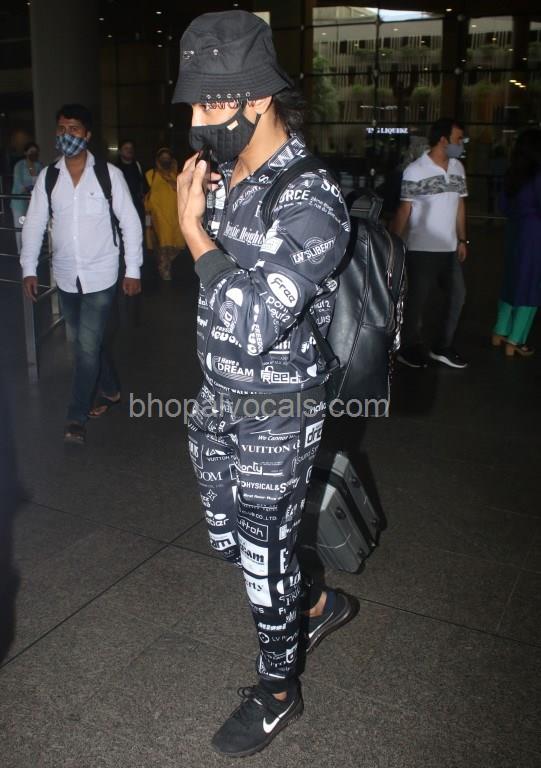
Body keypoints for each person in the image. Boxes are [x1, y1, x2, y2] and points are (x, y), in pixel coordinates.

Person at [174, 10, 355, 758]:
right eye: (192, 104)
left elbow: (254, 320)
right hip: (216, 400)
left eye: (209, 104)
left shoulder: (312, 200)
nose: (196, 122)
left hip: (278, 412)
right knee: (232, 542)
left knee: (262, 557)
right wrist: (203, 218)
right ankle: (314, 602)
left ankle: (279, 689)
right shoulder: (224, 178)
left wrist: (194, 233)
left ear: (258, 99)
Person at [20, 103, 142, 445]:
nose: (66, 135)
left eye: (73, 129)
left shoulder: (108, 175)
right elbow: (34, 224)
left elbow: (130, 222)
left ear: (87, 135)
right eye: (62, 129)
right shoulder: (50, 177)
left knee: (85, 347)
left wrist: (133, 269)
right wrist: (29, 268)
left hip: (102, 274)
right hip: (66, 275)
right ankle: (111, 389)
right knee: (86, 343)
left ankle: (75, 417)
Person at [391, 117, 469, 369]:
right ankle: (408, 348)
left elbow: (460, 205)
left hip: (449, 248)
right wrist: (392, 244)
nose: (461, 144)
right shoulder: (415, 170)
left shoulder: (457, 167)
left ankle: (442, 346)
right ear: (443, 140)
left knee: (457, 296)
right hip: (421, 249)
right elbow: (404, 210)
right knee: (416, 302)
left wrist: (462, 239)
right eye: (458, 139)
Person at [491, 129, 541, 357]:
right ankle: (516, 340)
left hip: (514, 231)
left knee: (511, 281)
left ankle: (500, 331)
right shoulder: (538, 175)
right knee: (531, 285)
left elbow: (502, 205)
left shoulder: (512, 174)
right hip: (535, 234)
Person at [144, 147, 185, 280]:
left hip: (175, 217)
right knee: (162, 244)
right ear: (158, 159)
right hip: (158, 218)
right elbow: (145, 196)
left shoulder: (178, 176)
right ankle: (164, 271)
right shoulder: (150, 175)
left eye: (168, 158)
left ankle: (165, 266)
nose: (165, 160)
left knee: (177, 245)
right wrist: (147, 219)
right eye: (163, 158)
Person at [10, 142, 43, 253]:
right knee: (20, 228)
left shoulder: (39, 165)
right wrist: (30, 187)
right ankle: (20, 253)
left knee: (32, 229)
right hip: (19, 203)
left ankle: (31, 251)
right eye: (31, 151)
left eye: (36, 152)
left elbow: (41, 181)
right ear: (25, 152)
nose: (34, 154)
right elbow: (18, 183)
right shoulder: (19, 166)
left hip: (33, 202)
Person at [116, 139, 147, 228]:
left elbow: (144, 187)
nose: (129, 150)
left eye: (131, 148)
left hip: (137, 207)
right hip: (121, 208)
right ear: (120, 151)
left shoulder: (139, 166)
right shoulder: (115, 169)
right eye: (126, 148)